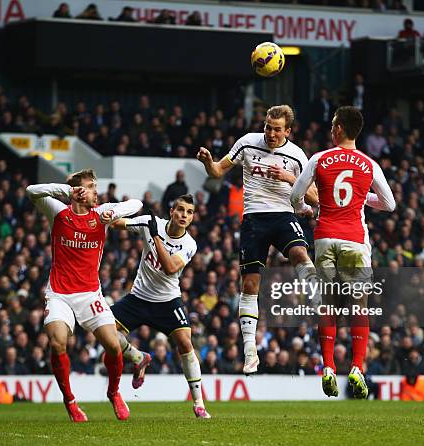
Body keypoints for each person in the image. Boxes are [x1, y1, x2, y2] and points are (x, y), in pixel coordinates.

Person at [197, 104, 318, 375]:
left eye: (277, 129)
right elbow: (217, 171)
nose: (270, 134)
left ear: (288, 130)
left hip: (284, 214)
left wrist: (290, 178)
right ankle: (250, 350)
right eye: (267, 126)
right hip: (254, 218)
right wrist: (207, 161)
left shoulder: (298, 156)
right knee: (250, 284)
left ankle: (317, 297)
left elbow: (316, 197)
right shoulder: (247, 143)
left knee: (300, 253)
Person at [290, 106, 395, 399]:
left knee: (329, 305)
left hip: (325, 237)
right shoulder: (369, 165)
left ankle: (327, 367)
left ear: (338, 129)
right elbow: (390, 204)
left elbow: (295, 195)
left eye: (333, 124)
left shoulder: (319, 159)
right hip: (355, 239)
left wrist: (305, 208)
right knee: (358, 305)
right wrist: (362, 199)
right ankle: (357, 367)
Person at [26, 169, 142, 422]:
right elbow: (31, 191)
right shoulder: (58, 212)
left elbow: (137, 204)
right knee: (57, 343)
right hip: (59, 294)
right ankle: (70, 402)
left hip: (90, 294)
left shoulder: (100, 213)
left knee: (113, 345)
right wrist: (66, 191)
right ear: (78, 192)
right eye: (90, 186)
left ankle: (114, 393)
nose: (95, 191)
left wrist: (113, 213)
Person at [109, 195, 211, 418]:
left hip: (167, 301)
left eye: (189, 212)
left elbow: (170, 268)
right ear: (172, 211)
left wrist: (154, 235)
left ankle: (199, 403)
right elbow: (116, 224)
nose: (184, 215)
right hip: (138, 297)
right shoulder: (149, 222)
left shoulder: (189, 244)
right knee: (105, 331)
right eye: (181, 210)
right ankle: (138, 357)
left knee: (185, 342)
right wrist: (122, 212)